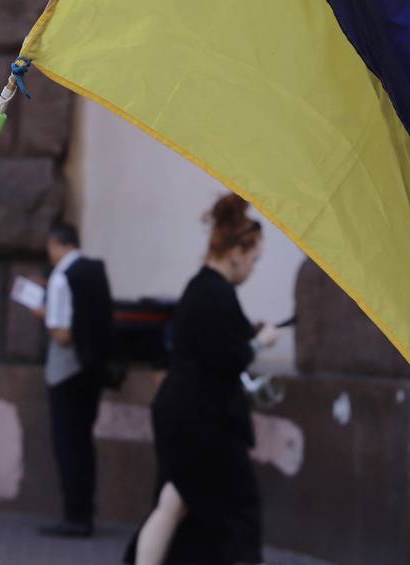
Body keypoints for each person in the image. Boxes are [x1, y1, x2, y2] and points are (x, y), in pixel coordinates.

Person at [130, 194, 279, 565]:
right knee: (211, 507)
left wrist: (250, 335)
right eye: (254, 260)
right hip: (200, 421)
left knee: (177, 504)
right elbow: (228, 356)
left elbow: (215, 342)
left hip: (189, 415)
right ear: (236, 253)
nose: (253, 268)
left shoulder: (204, 288)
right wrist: (260, 341)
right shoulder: (214, 292)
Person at [35, 222, 113, 537]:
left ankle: (74, 516)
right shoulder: (94, 271)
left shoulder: (61, 278)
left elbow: (63, 334)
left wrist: (42, 313)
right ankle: (85, 512)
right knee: (83, 443)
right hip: (92, 371)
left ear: (56, 243)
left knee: (68, 444)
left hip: (67, 372)